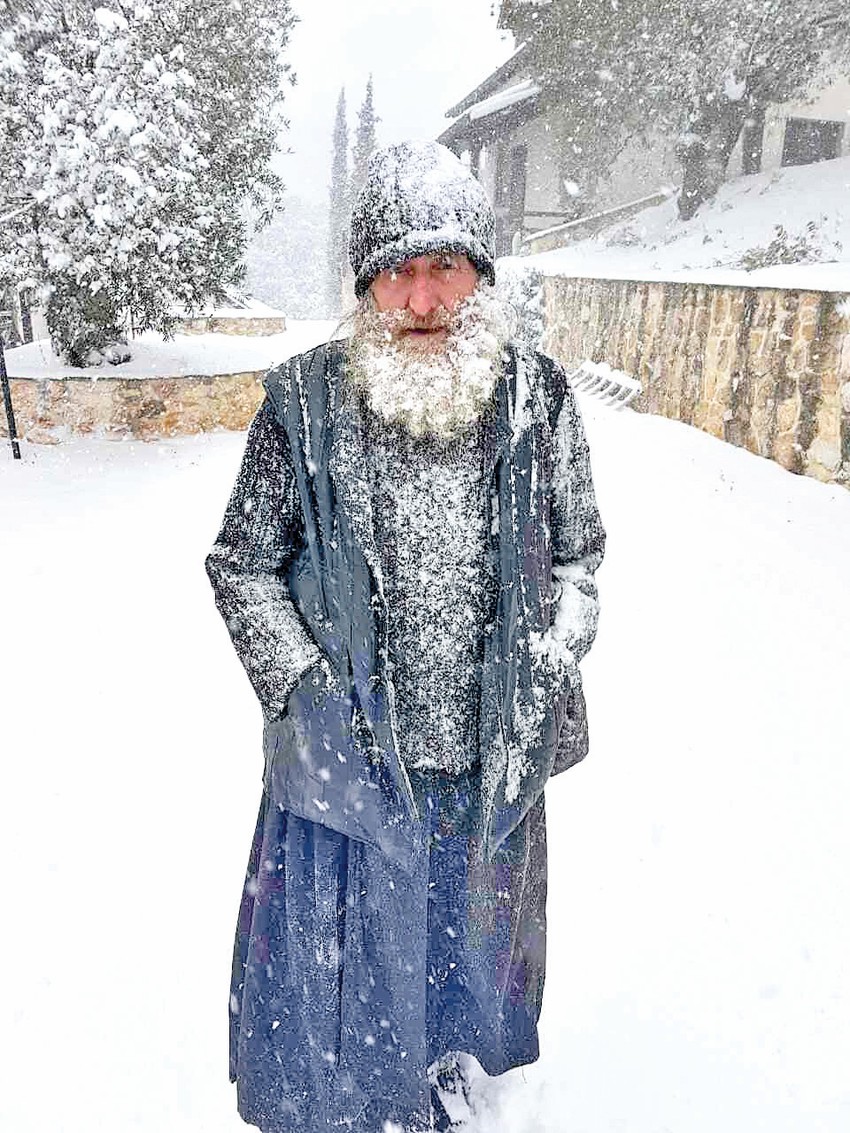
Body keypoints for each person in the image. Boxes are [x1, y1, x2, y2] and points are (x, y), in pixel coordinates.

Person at [206, 140, 605, 1133]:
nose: (421, 300)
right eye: (397, 273)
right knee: (341, 960)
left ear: (480, 278)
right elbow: (241, 563)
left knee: (467, 947)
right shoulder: (301, 403)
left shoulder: (536, 397)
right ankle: (342, 1103)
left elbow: (579, 559)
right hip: (348, 754)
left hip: (484, 758)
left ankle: (457, 1077)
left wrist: (548, 657)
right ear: (367, 287)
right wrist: (301, 686)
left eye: (444, 269)